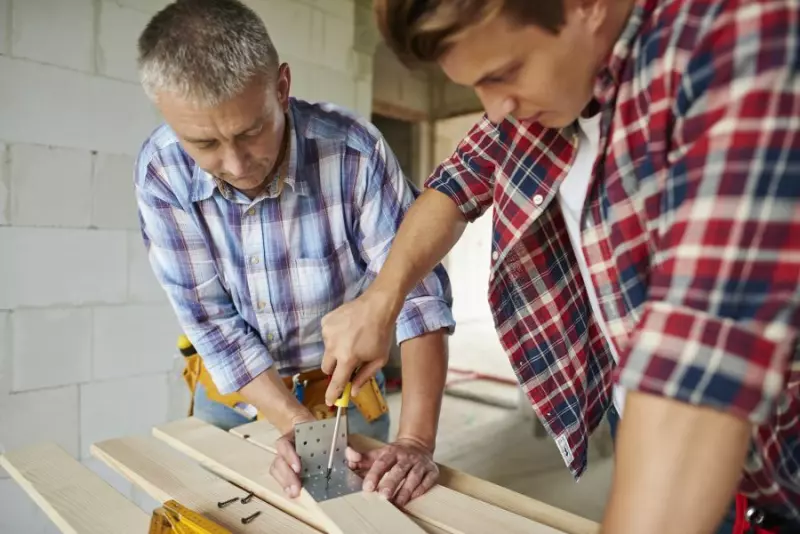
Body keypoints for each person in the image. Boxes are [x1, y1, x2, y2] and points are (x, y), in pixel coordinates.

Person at [320, 0, 800, 532]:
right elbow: (453, 187)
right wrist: (380, 302)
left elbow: (697, 373)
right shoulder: (550, 85)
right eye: (478, 85)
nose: (496, 108)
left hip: (766, 448)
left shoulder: (736, 42)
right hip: (639, 403)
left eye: (504, 73)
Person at [132, 0, 455, 506]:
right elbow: (212, 323)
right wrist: (295, 424)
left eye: (250, 131)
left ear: (282, 87)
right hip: (236, 403)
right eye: (205, 144)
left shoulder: (354, 152)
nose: (236, 163)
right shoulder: (162, 173)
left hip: (348, 399)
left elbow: (417, 297)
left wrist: (415, 442)